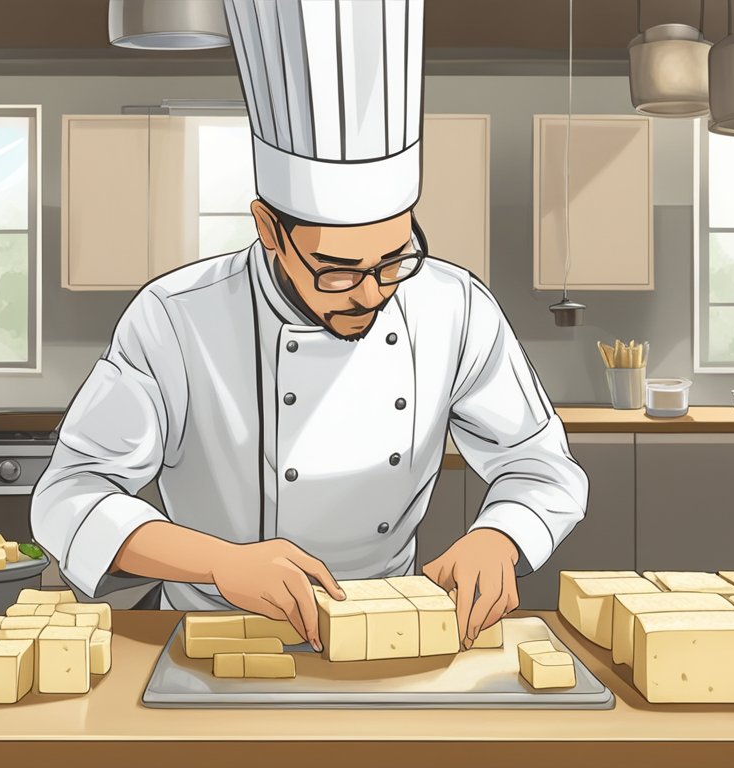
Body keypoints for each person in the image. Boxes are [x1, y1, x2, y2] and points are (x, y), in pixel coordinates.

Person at [31, 0, 587, 651]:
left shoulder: (454, 308)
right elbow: (69, 497)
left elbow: (541, 466)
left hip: (392, 628)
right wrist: (220, 564)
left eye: (392, 260)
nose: (373, 292)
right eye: (337, 270)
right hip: (211, 629)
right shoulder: (177, 319)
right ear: (269, 229)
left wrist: (500, 538)